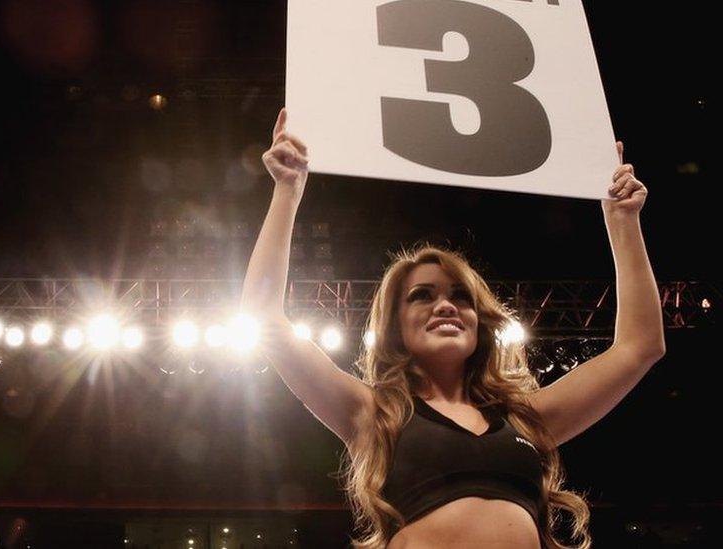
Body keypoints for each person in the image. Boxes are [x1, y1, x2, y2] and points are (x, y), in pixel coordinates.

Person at [240, 108, 665, 549]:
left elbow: (640, 346)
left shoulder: (526, 419)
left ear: (479, 321)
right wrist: (287, 191)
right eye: (422, 295)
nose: (445, 305)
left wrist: (623, 220)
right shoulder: (372, 413)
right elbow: (265, 318)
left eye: (460, 296)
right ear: (395, 327)